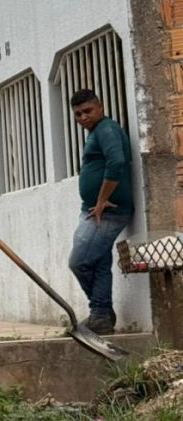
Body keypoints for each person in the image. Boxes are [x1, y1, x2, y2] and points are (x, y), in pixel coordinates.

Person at [68, 89, 133, 335]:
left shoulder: (106, 129)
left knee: (80, 262)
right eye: (78, 114)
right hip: (96, 210)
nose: (83, 117)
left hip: (108, 212)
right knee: (99, 264)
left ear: (101, 107)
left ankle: (101, 312)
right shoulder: (97, 132)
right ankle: (101, 316)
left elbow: (116, 162)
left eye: (87, 111)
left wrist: (102, 199)